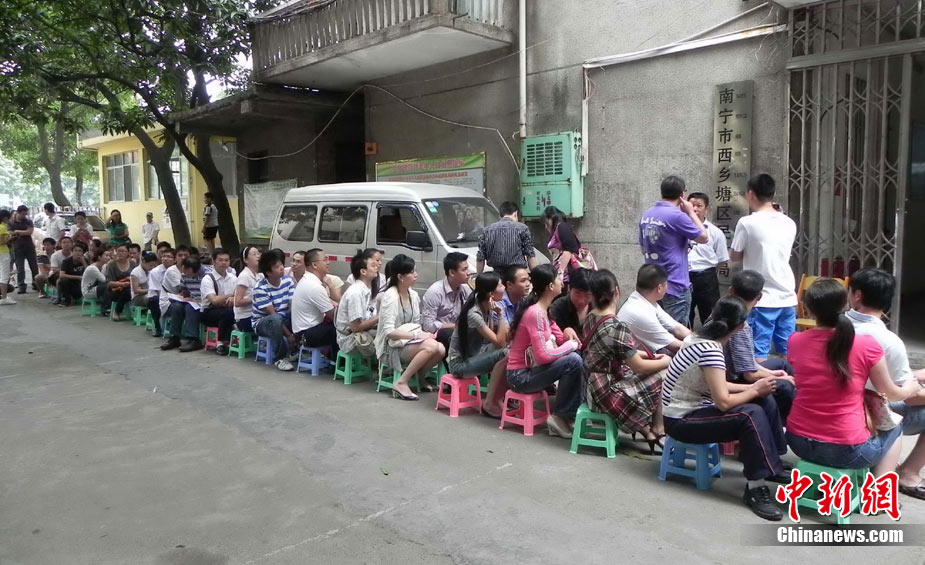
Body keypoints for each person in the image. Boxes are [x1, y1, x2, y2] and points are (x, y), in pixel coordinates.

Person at [662, 296, 789, 521]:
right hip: (680, 420)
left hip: (692, 409)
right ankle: (755, 488)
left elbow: (719, 385)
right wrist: (754, 389)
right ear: (740, 327)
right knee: (750, 414)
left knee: (763, 400)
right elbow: (723, 402)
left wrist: (755, 388)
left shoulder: (698, 337)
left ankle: (773, 466)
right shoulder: (710, 349)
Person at [786, 278, 919, 479]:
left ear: (809, 310)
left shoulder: (795, 340)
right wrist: (910, 388)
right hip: (847, 451)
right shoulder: (866, 344)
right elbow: (891, 393)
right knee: (894, 424)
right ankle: (880, 489)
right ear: (845, 304)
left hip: (797, 441)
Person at [845, 269, 925, 498]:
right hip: (865, 413)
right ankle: (908, 474)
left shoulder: (834, 327)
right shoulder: (888, 341)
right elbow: (904, 396)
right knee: (897, 418)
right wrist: (913, 385)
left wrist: (915, 376)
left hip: (832, 411)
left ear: (857, 295)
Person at [583, 270, 672, 452]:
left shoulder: (590, 317)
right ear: (617, 291)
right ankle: (658, 429)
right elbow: (639, 366)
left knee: (650, 369)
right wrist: (666, 362)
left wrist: (650, 356)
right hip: (609, 393)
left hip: (592, 387)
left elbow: (615, 350)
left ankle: (647, 430)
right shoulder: (616, 327)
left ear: (592, 294)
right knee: (665, 373)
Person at [506, 264, 583, 438]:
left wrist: (568, 332)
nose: (561, 281)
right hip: (519, 377)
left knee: (576, 358)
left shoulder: (544, 310)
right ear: (550, 286)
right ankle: (560, 416)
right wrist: (570, 346)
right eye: (558, 277)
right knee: (573, 360)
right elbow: (543, 356)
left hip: (531, 371)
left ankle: (568, 414)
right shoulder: (535, 313)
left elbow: (561, 339)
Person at [730, 174, 798, 361]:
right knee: (787, 350)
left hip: (761, 297)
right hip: (787, 295)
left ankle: (760, 380)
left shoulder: (747, 223)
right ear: (772, 194)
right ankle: (787, 378)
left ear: (750, 194)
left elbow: (735, 256)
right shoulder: (789, 223)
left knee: (758, 351)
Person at [722, 270, 796, 421]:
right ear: (759, 297)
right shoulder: (740, 326)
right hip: (732, 381)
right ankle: (784, 424)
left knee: (782, 365)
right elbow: (749, 375)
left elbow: (749, 363)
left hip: (738, 372)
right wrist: (777, 377)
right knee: (785, 385)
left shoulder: (723, 310)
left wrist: (773, 373)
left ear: (731, 291)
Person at [638, 175, 708, 325]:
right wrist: (690, 212)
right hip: (675, 284)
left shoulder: (647, 215)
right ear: (682, 195)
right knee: (677, 331)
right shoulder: (677, 216)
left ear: (662, 192)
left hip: (653, 283)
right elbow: (704, 237)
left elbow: (643, 248)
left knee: (659, 330)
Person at [375, 254, 446, 401]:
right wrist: (416, 336)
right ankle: (401, 382)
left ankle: (420, 375)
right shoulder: (390, 296)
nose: (416, 275)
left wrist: (423, 335)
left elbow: (416, 323)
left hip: (408, 341)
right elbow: (389, 332)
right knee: (432, 346)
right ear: (400, 277)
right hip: (390, 346)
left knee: (441, 349)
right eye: (412, 272)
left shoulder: (413, 295)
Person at [448, 272, 510, 419]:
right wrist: (500, 314)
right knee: (506, 353)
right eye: (501, 285)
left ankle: (496, 398)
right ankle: (490, 402)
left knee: (510, 350)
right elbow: (499, 341)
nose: (504, 287)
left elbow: (499, 337)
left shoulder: (485, 305)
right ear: (491, 293)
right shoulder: (473, 313)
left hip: (475, 355)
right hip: (459, 364)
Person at [617, 264, 691, 354]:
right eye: (666, 284)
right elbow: (675, 346)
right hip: (629, 361)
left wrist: (701, 340)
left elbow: (676, 328)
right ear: (659, 288)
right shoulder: (640, 312)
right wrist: (702, 346)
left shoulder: (644, 300)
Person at [686, 192, 729, 327]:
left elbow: (722, 259)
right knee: (685, 315)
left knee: (710, 315)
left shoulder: (715, 232)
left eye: (699, 206)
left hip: (706, 278)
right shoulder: (679, 229)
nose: (695, 209)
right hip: (683, 276)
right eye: (692, 205)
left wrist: (708, 272)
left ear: (706, 209)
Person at [252, 250, 297, 371]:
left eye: (281, 264)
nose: (282, 268)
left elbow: (293, 304)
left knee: (301, 312)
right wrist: (289, 335)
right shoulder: (260, 288)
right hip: (263, 323)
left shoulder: (288, 281)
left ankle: (296, 350)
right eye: (277, 267)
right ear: (268, 272)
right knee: (276, 319)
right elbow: (272, 314)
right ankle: (280, 358)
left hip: (283, 317)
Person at [422, 252, 472, 357]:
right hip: (438, 336)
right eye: (464, 270)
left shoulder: (466, 289)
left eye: (467, 268)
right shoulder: (435, 292)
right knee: (450, 334)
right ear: (452, 273)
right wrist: (453, 326)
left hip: (458, 333)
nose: (469, 273)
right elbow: (427, 326)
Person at [292, 248, 337, 353]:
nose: (328, 262)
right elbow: (334, 315)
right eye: (325, 260)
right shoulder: (314, 286)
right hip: (306, 334)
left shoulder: (308, 280)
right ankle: (337, 361)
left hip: (304, 331)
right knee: (341, 328)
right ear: (315, 265)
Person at [335, 251, 380, 357]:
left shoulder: (365, 289)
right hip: (351, 341)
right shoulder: (356, 292)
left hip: (359, 333)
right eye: (373, 265)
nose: (377, 267)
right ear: (363, 271)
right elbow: (355, 327)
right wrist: (379, 317)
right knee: (388, 341)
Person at [476, 201, 538, 274]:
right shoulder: (522, 228)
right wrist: (536, 276)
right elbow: (530, 255)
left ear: (500, 215)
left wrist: (478, 275)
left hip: (497, 274)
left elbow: (480, 258)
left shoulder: (487, 230)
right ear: (515, 213)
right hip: (517, 274)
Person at [161, 256, 207, 352]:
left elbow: (210, 295)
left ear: (195, 271)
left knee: (190, 307)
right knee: (177, 306)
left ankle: (193, 339)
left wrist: (196, 300)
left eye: (188, 273)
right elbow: (184, 291)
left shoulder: (207, 276)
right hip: (192, 301)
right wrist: (181, 297)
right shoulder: (184, 274)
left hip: (205, 303)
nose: (185, 275)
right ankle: (174, 337)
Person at [200, 248, 237, 355]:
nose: (223, 263)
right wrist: (230, 295)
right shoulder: (208, 279)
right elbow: (214, 300)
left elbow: (238, 295)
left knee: (235, 311)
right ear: (213, 261)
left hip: (228, 309)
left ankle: (233, 338)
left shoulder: (233, 278)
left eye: (226, 260)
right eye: (220, 260)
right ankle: (221, 343)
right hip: (209, 312)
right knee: (228, 313)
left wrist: (233, 298)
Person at [548, 267, 592, 341]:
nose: (581, 300)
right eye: (577, 294)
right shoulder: (557, 309)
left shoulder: (598, 307)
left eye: (587, 295)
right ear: (569, 288)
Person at [542, 206, 582, 285]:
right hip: (563, 274)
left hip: (567, 275)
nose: (546, 227)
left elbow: (568, 250)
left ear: (551, 218)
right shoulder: (560, 228)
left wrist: (561, 272)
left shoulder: (561, 227)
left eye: (546, 223)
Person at [9, 205, 38, 294]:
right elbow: (10, 233)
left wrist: (17, 231)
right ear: (18, 212)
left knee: (34, 266)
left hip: (29, 246)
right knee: (20, 268)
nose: (24, 216)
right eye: (22, 214)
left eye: (25, 214)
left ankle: (36, 283)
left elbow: (30, 231)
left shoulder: (28, 221)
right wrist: (22, 232)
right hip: (17, 247)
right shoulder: (11, 222)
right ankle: (21, 286)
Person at [159, 245, 190, 323]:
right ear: (175, 258)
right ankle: (175, 330)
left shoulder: (192, 269)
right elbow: (183, 290)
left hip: (186, 299)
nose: (183, 258)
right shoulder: (171, 271)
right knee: (179, 307)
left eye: (186, 255)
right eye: (180, 255)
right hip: (169, 302)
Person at [234, 246, 262, 333]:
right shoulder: (244, 276)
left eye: (258, 253)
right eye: (254, 254)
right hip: (245, 318)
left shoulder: (259, 275)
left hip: (256, 315)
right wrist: (257, 298)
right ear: (246, 260)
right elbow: (237, 302)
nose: (258, 256)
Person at [147, 248, 174, 337]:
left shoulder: (177, 271)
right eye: (164, 256)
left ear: (174, 259)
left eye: (169, 257)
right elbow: (158, 291)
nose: (166, 259)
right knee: (155, 301)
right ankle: (157, 327)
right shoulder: (155, 272)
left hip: (173, 296)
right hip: (157, 296)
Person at [104, 243, 134, 321]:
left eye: (123, 251)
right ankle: (117, 312)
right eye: (118, 251)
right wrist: (121, 284)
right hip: (114, 290)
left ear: (128, 253)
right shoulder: (111, 264)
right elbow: (109, 283)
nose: (120, 253)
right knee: (126, 290)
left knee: (128, 290)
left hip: (130, 289)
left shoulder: (133, 263)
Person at [56, 241, 88, 306]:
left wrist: (83, 262)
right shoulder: (66, 261)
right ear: (72, 252)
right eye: (75, 250)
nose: (77, 253)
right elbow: (62, 275)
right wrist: (78, 277)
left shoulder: (85, 260)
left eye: (80, 251)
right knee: (63, 280)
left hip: (81, 284)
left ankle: (74, 297)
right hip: (70, 283)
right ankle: (66, 300)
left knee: (77, 295)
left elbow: (89, 272)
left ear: (83, 253)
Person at [0, 209, 13, 305]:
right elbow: (2, 242)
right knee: (4, 276)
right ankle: (4, 297)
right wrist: (10, 237)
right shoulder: (3, 227)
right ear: (5, 218)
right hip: (3, 253)